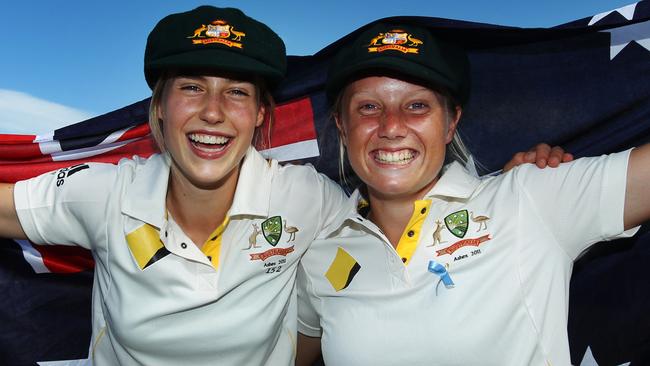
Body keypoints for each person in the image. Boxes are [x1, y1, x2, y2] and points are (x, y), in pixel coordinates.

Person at [0, 6, 351, 365]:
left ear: (261, 112)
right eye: (192, 87)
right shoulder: (106, 193)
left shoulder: (307, 196)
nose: (213, 111)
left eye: (237, 92)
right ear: (161, 106)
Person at [296, 23, 650, 366]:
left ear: (451, 123)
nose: (391, 126)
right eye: (369, 107)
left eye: (417, 105)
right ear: (343, 127)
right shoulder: (321, 253)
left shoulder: (530, 197)